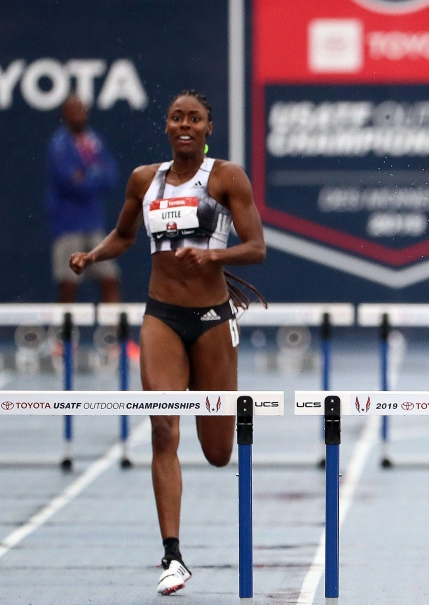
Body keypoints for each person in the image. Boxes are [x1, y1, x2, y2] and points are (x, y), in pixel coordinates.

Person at [68, 90, 266, 595]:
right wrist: (92, 256)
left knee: (219, 451)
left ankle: (214, 421)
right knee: (163, 431)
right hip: (161, 318)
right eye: (177, 117)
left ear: (208, 128)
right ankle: (173, 556)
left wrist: (215, 259)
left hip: (212, 319)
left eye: (194, 118)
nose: (185, 124)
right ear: (167, 126)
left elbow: (257, 248)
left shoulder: (226, 178)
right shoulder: (143, 180)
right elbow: (124, 235)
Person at [48, 93, 120, 302]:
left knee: (110, 277)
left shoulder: (94, 140)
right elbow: (71, 184)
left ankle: (116, 334)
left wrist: (86, 174)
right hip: (68, 224)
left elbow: (111, 177)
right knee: (68, 283)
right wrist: (95, 173)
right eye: (73, 111)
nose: (78, 115)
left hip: (93, 224)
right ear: (65, 115)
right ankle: (63, 334)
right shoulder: (59, 144)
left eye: (81, 110)